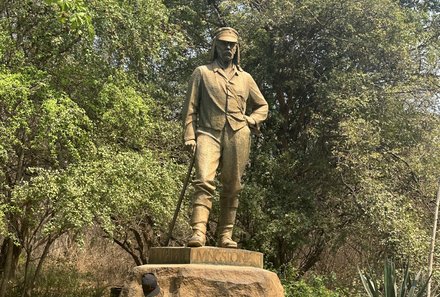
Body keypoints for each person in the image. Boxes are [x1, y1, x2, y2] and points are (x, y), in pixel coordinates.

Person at [182, 27, 268, 248]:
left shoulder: (246, 78)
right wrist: (189, 135)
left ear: (237, 48)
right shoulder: (202, 73)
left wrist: (251, 120)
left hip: (238, 133)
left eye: (232, 44)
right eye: (223, 43)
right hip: (208, 133)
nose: (228, 48)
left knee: (233, 185)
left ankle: (225, 236)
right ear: (216, 46)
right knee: (203, 181)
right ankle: (198, 232)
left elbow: (263, 106)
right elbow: (190, 107)